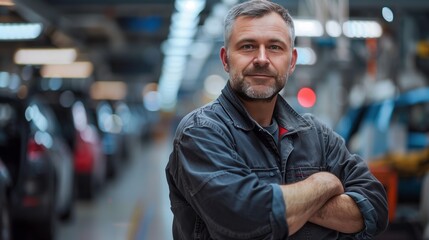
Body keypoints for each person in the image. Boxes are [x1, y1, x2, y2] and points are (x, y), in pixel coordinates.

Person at [165, 0, 389, 239]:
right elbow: (247, 222)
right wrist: (322, 184)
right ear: (225, 59)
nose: (262, 58)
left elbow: (375, 209)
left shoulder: (317, 136)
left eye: (274, 47)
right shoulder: (201, 133)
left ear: (291, 61)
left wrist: (286, 203)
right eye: (248, 46)